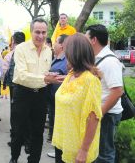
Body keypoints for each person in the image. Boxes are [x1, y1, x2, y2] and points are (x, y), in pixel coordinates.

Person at [9, 18, 59, 163]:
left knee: (38, 132)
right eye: (37, 32)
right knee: (18, 130)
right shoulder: (21, 49)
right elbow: (22, 75)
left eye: (44, 32)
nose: (41, 36)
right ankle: (14, 158)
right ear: (31, 32)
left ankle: (34, 160)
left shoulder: (49, 51)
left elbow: (45, 73)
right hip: (22, 93)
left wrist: (50, 77)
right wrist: (46, 79)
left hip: (41, 95)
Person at [51, 33, 102, 163]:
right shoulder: (71, 74)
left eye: (66, 50)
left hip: (77, 148)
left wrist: (84, 150)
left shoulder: (91, 81)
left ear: (74, 53)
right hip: (62, 141)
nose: (64, 53)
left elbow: (94, 118)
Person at [85, 24, 123, 163]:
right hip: (102, 113)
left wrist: (99, 113)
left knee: (104, 154)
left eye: (86, 38)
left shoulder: (110, 61)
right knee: (98, 152)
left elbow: (118, 91)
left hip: (107, 114)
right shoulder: (97, 57)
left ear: (93, 40)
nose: (85, 42)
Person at [46, 34, 68, 158]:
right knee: (55, 124)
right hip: (52, 98)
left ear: (62, 45)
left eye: (56, 42)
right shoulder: (55, 58)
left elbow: (70, 78)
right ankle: (57, 151)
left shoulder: (67, 60)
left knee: (60, 127)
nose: (53, 44)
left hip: (61, 100)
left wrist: (54, 77)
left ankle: (61, 152)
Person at [2, 32, 26, 148]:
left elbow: (7, 71)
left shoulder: (13, 53)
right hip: (27, 87)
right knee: (26, 113)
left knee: (15, 114)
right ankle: (26, 141)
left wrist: (6, 84)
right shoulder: (29, 52)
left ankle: (16, 139)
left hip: (15, 87)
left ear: (13, 41)